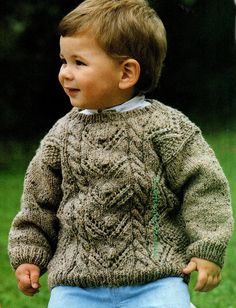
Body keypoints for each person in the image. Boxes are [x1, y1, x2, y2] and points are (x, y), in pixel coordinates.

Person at [8, 0, 233, 307]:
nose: (65, 73)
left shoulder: (166, 127)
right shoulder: (61, 136)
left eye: (79, 63)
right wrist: (28, 255)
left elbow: (204, 187)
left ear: (126, 72)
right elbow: (38, 201)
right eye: (64, 61)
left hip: (155, 278)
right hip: (76, 283)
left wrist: (207, 247)